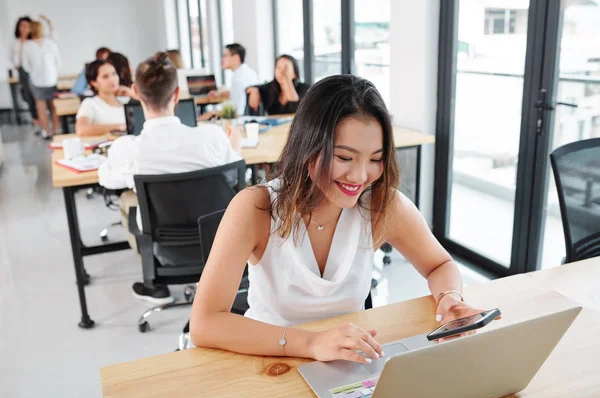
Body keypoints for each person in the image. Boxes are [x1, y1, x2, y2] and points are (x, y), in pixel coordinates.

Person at [189, 75, 488, 364]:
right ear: (308, 146)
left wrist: (449, 297)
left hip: (348, 362)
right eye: (344, 157)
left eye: (374, 159)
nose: (360, 177)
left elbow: (440, 265)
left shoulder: (381, 204)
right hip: (266, 360)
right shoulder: (256, 207)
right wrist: (312, 343)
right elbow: (204, 324)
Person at [97, 52, 242, 305]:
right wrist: (235, 147)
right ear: (177, 94)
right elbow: (232, 179)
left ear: (135, 92)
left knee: (128, 201)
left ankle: (153, 284)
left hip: (165, 252)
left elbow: (106, 180)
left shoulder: (128, 149)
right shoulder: (213, 138)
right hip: (220, 245)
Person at [21, 19, 61, 139]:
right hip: (50, 79)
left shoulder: (27, 45)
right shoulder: (50, 43)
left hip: (37, 80)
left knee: (41, 107)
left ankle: (47, 132)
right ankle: (56, 130)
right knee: (53, 106)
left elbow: (26, 66)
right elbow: (58, 62)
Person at [75, 60, 132, 136]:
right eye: (105, 76)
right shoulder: (90, 103)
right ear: (94, 83)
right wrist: (117, 126)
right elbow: (81, 130)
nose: (112, 79)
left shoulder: (126, 100)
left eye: (114, 74)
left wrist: (132, 94)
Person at [208, 43, 258, 115]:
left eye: (225, 56)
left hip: (240, 120)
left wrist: (212, 112)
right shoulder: (249, 71)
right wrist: (220, 94)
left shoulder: (237, 79)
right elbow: (241, 93)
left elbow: (236, 110)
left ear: (236, 58)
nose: (222, 59)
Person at [11, 16, 38, 128]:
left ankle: (44, 120)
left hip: (35, 71)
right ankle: (36, 122)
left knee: (39, 97)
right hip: (22, 71)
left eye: (26, 26)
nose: (23, 28)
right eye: (21, 26)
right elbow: (13, 58)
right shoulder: (16, 43)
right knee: (28, 96)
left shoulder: (34, 42)